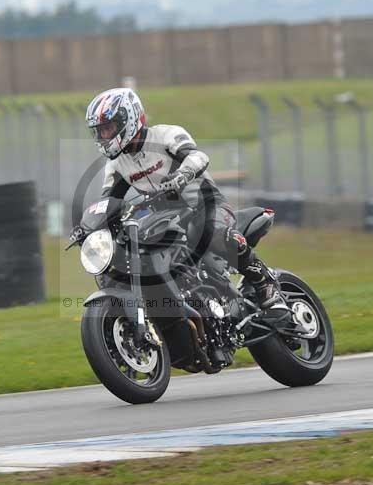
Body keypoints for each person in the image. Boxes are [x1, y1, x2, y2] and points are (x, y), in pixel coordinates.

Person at [73, 87, 289, 316]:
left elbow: (198, 156)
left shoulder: (166, 135)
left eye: (108, 129)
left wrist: (182, 174)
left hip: (204, 204)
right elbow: (109, 203)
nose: (104, 136)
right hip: (165, 218)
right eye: (100, 131)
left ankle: (264, 281)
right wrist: (88, 228)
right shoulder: (116, 165)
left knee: (213, 233)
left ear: (129, 118)